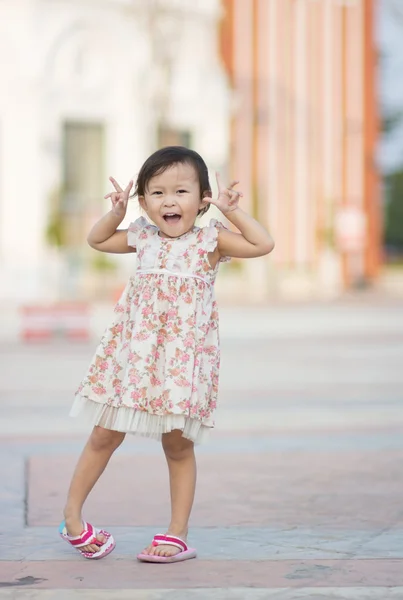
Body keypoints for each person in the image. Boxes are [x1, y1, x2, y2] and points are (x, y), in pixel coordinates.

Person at [59, 146, 275, 563]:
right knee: (104, 433)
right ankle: (72, 517)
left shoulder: (210, 240)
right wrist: (117, 212)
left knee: (177, 446)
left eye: (180, 191)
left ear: (202, 198)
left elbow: (263, 244)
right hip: (134, 356)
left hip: (180, 364)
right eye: (156, 193)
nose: (169, 201)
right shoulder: (142, 235)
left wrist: (232, 213)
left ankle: (177, 533)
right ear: (144, 202)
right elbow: (98, 239)